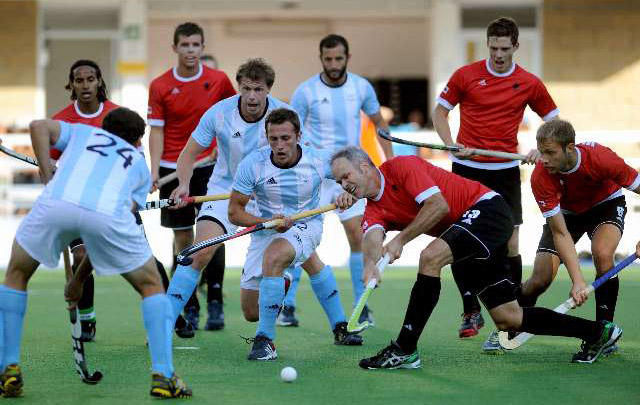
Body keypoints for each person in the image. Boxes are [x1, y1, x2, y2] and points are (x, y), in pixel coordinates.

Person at [330, 146, 622, 369]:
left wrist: (400, 239)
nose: (343, 184)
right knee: (509, 318)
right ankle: (598, 332)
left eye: (346, 176)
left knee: (430, 256)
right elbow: (371, 237)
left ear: (366, 166)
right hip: (467, 234)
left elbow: (437, 205)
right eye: (338, 181)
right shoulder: (371, 209)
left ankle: (405, 348)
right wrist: (370, 266)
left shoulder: (401, 167)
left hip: (487, 210)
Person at [0, 108, 191, 398]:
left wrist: (45, 169)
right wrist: (79, 278)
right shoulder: (139, 165)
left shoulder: (82, 132)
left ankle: (8, 366)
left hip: (55, 204)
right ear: (138, 141)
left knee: (16, 274)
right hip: (108, 214)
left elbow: (38, 125)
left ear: (103, 128)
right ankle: (164, 375)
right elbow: (107, 231)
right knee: (152, 286)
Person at [433, 17, 559, 339]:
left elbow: (553, 121)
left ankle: (513, 313)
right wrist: (450, 145)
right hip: (467, 170)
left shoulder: (528, 82)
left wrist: (537, 148)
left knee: (510, 243)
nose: (498, 55)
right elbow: (440, 112)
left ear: (516, 46)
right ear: (487, 44)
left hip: (504, 171)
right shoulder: (466, 75)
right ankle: (470, 310)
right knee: (460, 239)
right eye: (493, 48)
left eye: (504, 49)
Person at [165, 58, 291, 336]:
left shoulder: (285, 115)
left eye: (258, 89)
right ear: (238, 87)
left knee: (253, 310)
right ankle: (165, 323)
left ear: (269, 89)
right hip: (225, 191)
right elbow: (188, 154)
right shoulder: (219, 113)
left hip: (269, 196)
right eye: (246, 88)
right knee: (199, 253)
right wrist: (184, 184)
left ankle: (340, 325)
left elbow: (303, 158)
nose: (252, 96)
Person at [228, 108, 363, 360]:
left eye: (286, 138)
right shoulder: (252, 164)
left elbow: (354, 177)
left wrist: (348, 192)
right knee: (250, 311)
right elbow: (235, 213)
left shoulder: (318, 160)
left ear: (299, 136)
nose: (279, 145)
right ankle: (340, 326)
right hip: (266, 227)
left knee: (275, 256)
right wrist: (268, 221)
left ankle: (264, 340)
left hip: (306, 224)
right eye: (273, 139)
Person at [286, 34, 393, 327]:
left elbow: (379, 124)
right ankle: (288, 306)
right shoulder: (306, 91)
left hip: (351, 176)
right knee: (298, 238)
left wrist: (391, 163)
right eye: (328, 59)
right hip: (316, 175)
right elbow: (291, 132)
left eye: (339, 59)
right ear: (321, 58)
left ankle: (362, 306)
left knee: (358, 237)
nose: (334, 64)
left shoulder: (361, 87)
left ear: (347, 57)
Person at [511, 119, 639, 359]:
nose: (544, 159)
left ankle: (604, 334)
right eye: (541, 152)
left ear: (569, 148)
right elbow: (561, 232)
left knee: (602, 254)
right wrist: (578, 280)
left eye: (550, 152)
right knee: (540, 278)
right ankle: (511, 320)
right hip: (566, 215)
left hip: (605, 205)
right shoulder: (541, 175)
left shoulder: (601, 158)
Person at [148, 22, 235, 333]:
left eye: (196, 45)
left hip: (212, 168)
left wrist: (223, 152)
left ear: (202, 47)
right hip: (173, 168)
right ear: (175, 48)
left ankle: (215, 300)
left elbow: (233, 116)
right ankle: (191, 305)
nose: (190, 51)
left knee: (213, 233)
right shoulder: (159, 85)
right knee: (183, 237)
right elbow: (156, 129)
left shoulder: (219, 80)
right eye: (184, 45)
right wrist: (155, 169)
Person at [49, 59, 120, 341]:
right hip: (74, 201)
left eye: (90, 79)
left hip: (110, 201)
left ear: (100, 81)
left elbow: (132, 155)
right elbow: (52, 163)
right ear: (72, 85)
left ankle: (170, 318)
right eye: (79, 80)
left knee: (143, 264)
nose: (85, 85)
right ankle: (88, 319)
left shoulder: (116, 116)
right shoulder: (61, 119)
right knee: (81, 256)